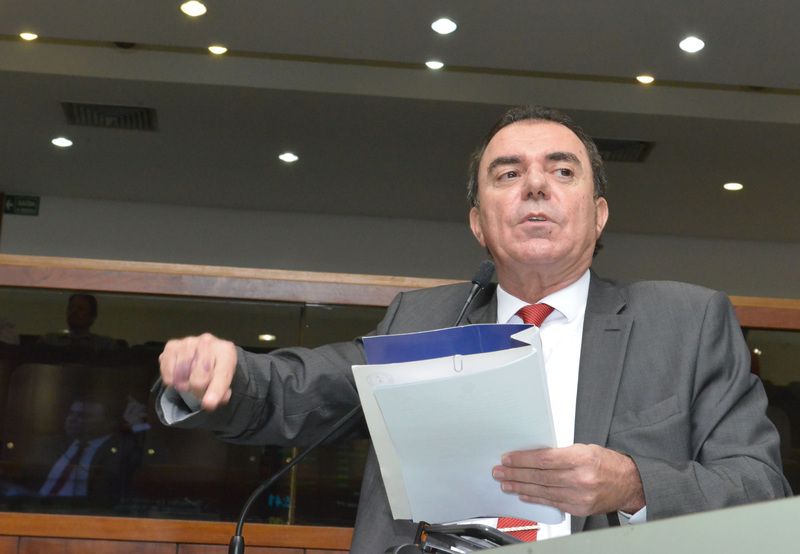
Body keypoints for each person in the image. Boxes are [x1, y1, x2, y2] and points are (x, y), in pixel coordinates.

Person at [156, 105, 790, 552]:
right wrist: (220, 374)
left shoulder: (685, 322)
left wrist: (633, 484)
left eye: (562, 171)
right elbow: (302, 391)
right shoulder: (426, 319)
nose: (535, 185)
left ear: (598, 216)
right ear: (478, 223)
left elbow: (760, 491)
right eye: (508, 174)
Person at [39, 293, 124, 351]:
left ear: (92, 317)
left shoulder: (105, 345)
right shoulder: (50, 341)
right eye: (71, 308)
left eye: (81, 309)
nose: (74, 311)